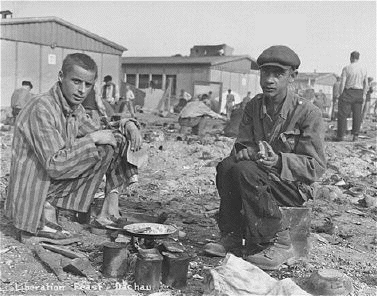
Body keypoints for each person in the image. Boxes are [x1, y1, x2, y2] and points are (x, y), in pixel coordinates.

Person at [203, 45, 326, 270]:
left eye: (278, 74)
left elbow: (316, 167)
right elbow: (242, 146)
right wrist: (246, 151)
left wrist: (279, 160)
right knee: (226, 166)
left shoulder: (308, 113)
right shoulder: (254, 106)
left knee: (245, 171)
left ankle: (279, 242)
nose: (269, 80)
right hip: (258, 178)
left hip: (292, 186)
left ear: (292, 77)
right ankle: (231, 235)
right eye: (265, 73)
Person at [5, 53, 142, 240]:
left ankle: (108, 212)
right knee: (98, 144)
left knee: (113, 142)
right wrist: (92, 139)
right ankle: (42, 218)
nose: (82, 90)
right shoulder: (42, 107)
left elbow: (104, 131)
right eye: (76, 82)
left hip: (50, 182)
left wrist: (127, 124)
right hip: (33, 191)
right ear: (61, 77)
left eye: (88, 85)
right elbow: (55, 165)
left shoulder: (75, 109)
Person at [336, 51, 368, 142]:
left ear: (350, 57)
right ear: (358, 58)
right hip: (359, 92)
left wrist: (340, 94)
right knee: (357, 115)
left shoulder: (346, 68)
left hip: (348, 91)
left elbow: (343, 83)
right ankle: (355, 135)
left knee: (342, 114)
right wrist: (364, 94)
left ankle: (341, 135)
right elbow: (366, 83)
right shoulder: (364, 68)